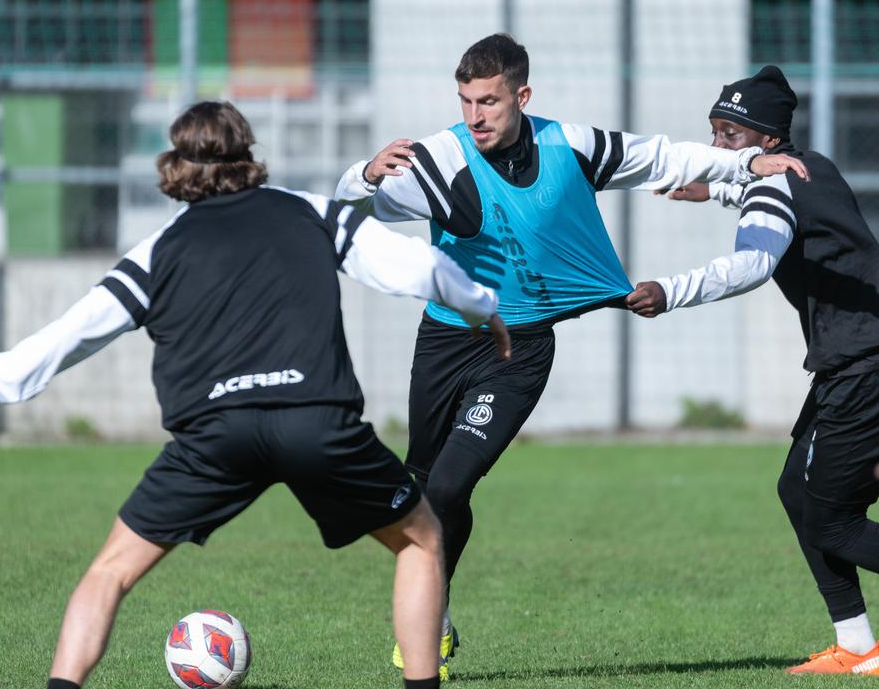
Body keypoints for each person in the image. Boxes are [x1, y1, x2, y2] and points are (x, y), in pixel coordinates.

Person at [0, 102, 510, 689]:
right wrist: (483, 308)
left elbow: (70, 334)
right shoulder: (309, 213)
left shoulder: (159, 251)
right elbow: (418, 267)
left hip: (214, 437)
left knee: (110, 572)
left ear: (175, 166)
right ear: (248, 155)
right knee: (421, 538)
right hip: (316, 423)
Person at [334, 33, 807, 670]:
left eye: (490, 102)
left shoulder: (571, 145)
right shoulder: (441, 156)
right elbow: (350, 206)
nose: (476, 116)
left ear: (522, 96)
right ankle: (438, 614)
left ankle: (425, 631)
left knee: (447, 486)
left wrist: (746, 166)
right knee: (421, 490)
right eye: (467, 101)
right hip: (445, 338)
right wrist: (363, 173)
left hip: (518, 351)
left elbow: (659, 158)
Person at [626, 66, 879, 676]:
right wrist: (711, 189)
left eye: (726, 136)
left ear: (763, 142)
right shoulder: (814, 167)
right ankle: (857, 647)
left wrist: (669, 291)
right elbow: (771, 197)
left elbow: (752, 264)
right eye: (711, 134)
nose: (714, 149)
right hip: (878, 363)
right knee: (798, 492)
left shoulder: (775, 187)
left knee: (832, 522)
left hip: (875, 371)